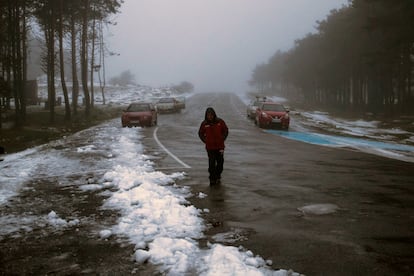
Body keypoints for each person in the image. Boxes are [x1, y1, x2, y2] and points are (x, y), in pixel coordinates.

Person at [198, 107, 228, 185]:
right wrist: (205, 141)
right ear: (206, 115)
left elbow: (226, 130)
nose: (210, 117)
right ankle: (212, 178)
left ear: (214, 114)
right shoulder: (204, 124)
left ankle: (218, 176)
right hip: (210, 148)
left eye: (211, 115)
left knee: (220, 163)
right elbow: (200, 133)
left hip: (220, 147)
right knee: (211, 163)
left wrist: (222, 139)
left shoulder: (220, 122)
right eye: (208, 115)